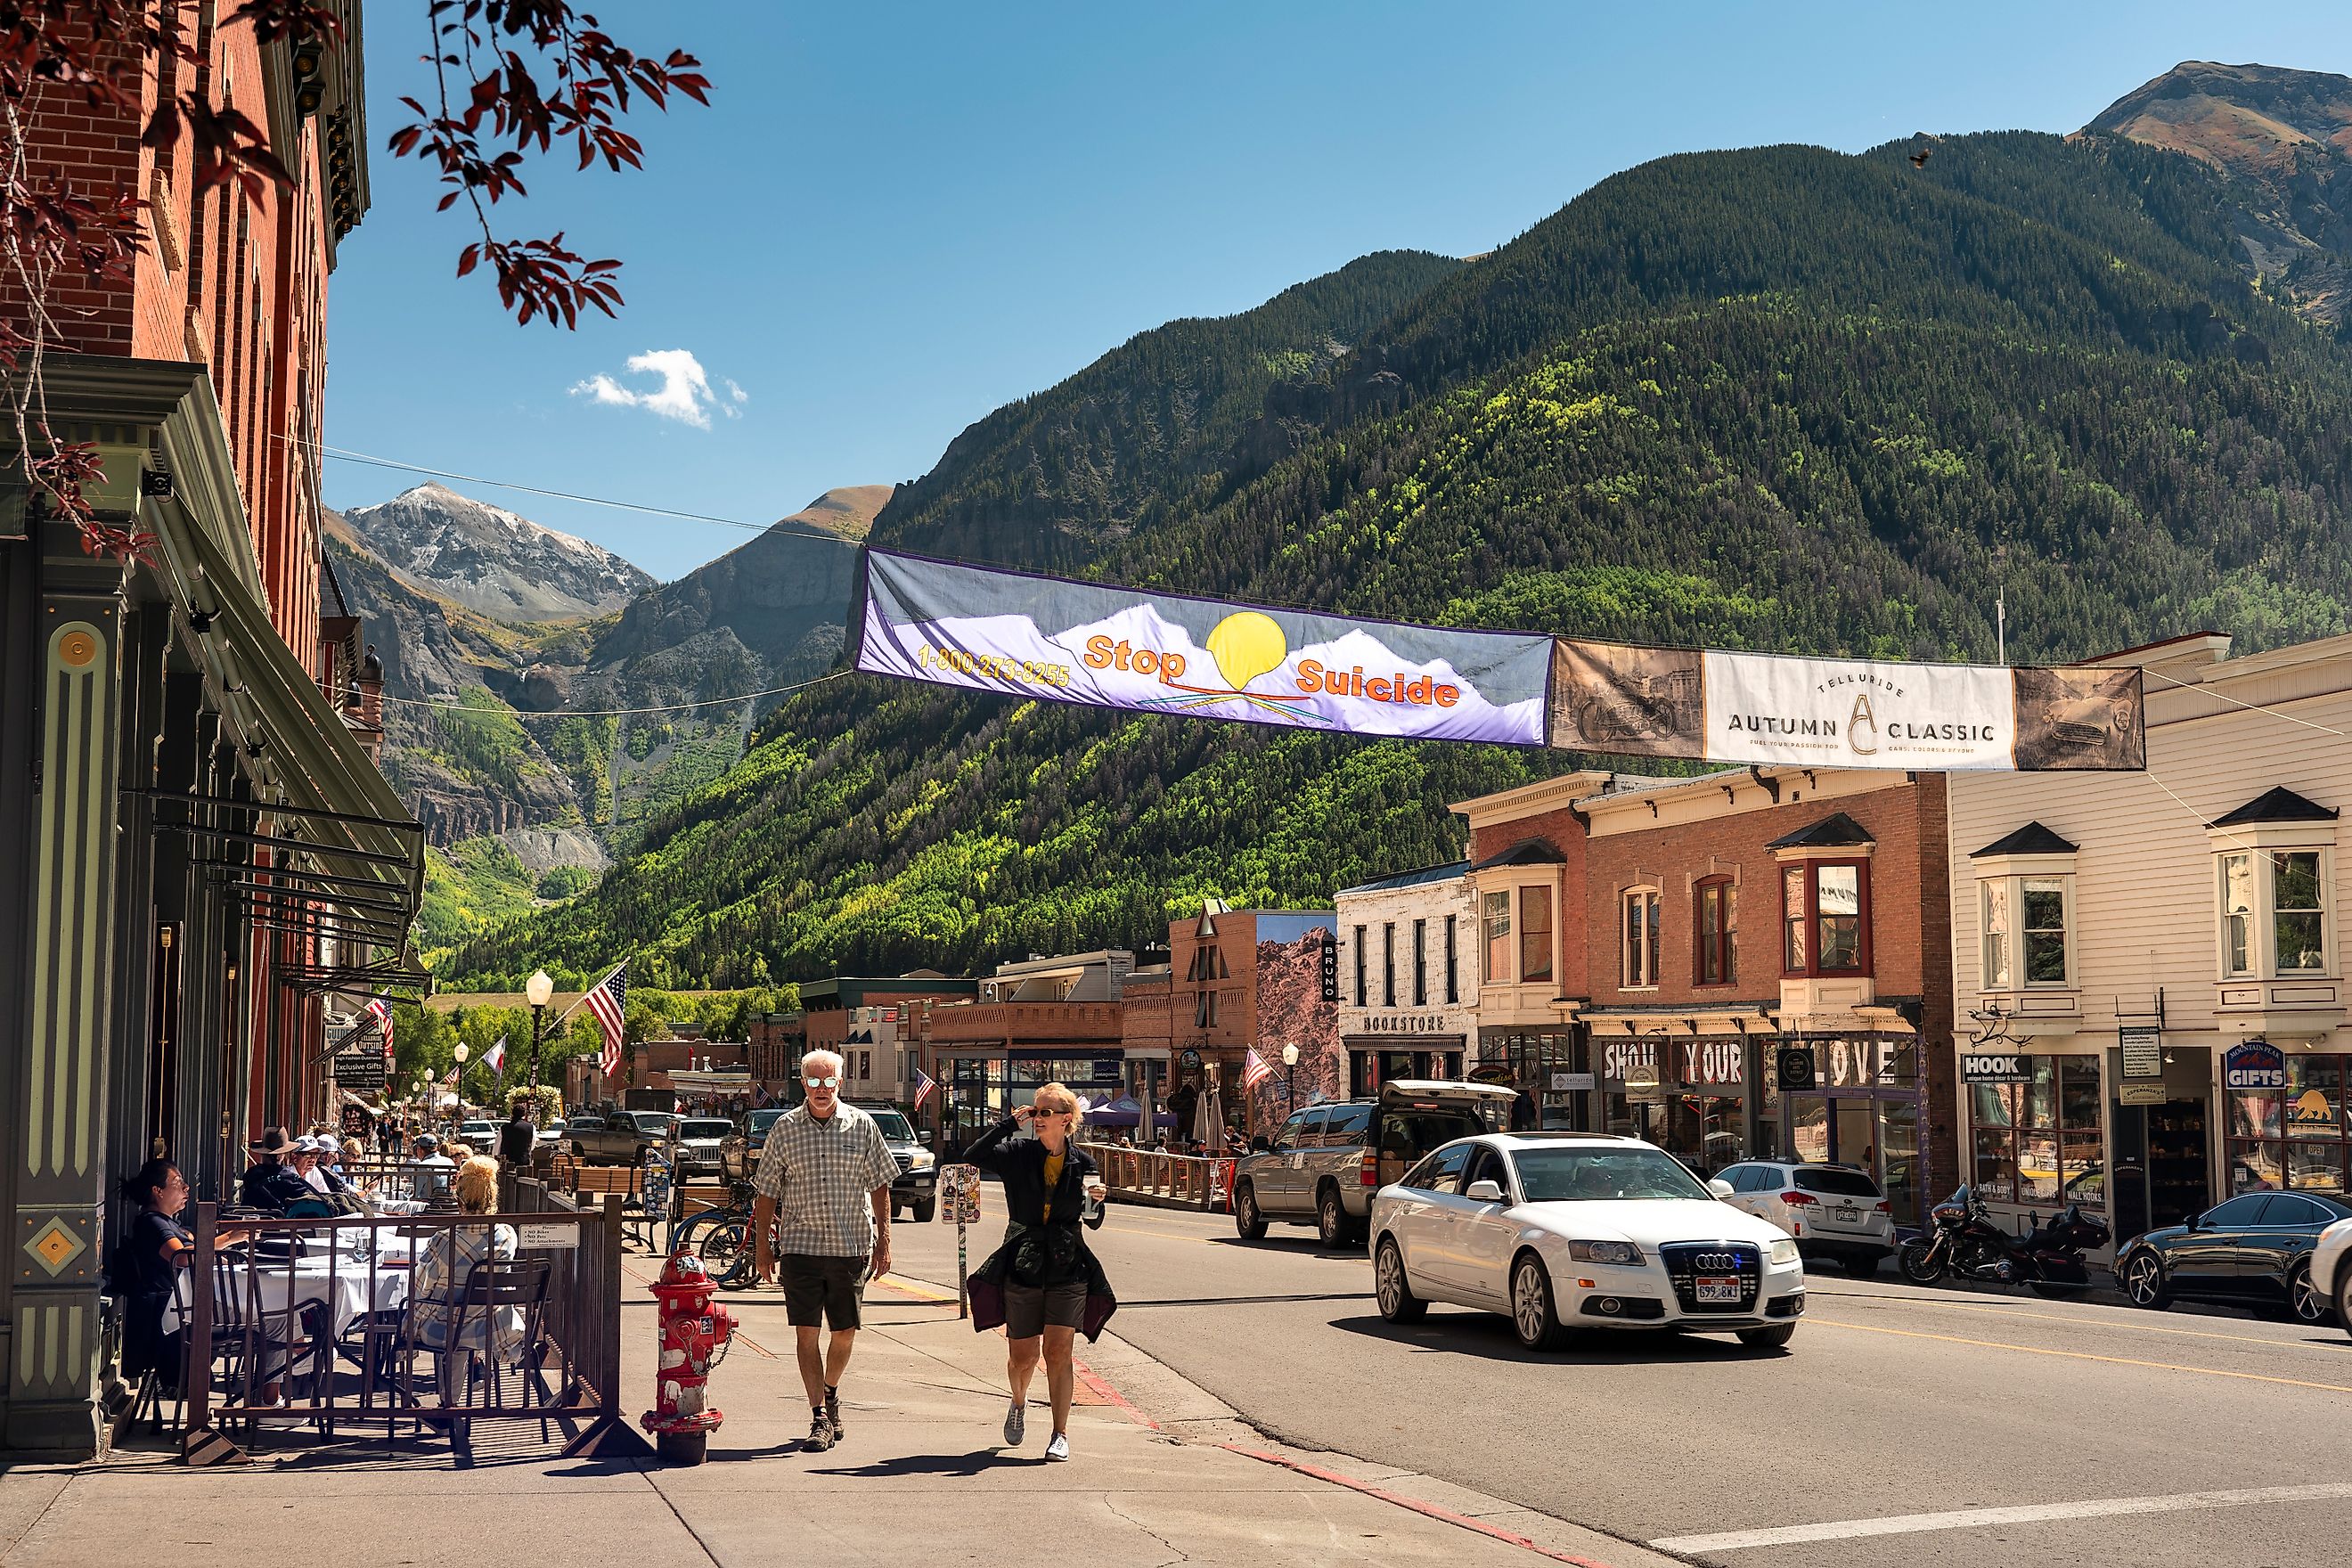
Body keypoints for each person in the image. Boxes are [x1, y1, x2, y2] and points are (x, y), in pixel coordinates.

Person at [748, 1048, 896, 1453]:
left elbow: (881, 1185)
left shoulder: (862, 1126)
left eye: (828, 1081)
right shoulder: (784, 1129)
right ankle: (818, 1417)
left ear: (840, 1083)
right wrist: (763, 1247)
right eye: (813, 1081)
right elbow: (767, 1193)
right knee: (806, 1333)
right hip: (800, 1247)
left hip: (850, 1246)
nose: (821, 1088)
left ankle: (831, 1391)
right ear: (802, 1083)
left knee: (845, 1333)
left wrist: (884, 1239)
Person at [966, 1082, 1117, 1462]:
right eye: (1035, 1111)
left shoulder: (1083, 1163)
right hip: (1024, 1261)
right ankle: (1019, 1401)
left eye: (1044, 1112)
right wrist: (1007, 1124)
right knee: (1023, 1356)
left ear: (1066, 1120)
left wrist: (1098, 1203)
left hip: (1068, 1264)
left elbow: (1091, 1221)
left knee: (1058, 1350)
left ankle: (1060, 1432)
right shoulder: (1018, 1153)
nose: (1037, 1118)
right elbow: (973, 1155)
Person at [402, 1156, 526, 1408]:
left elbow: (422, 1286)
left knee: (448, 1321)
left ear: (458, 1199)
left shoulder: (443, 1240)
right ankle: (465, 1388)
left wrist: (410, 1322)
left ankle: (449, 1405)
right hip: (492, 1327)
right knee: (465, 1321)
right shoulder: (506, 1236)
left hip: (448, 1328)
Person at [239, 1128, 314, 1212]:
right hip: (279, 1222)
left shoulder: (250, 1174)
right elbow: (309, 1197)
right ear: (279, 1156)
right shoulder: (289, 1178)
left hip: (250, 1220)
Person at [408, 1133, 458, 1205]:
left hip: (429, 1210)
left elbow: (414, 1194)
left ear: (420, 1150)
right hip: (449, 1206)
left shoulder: (422, 1166)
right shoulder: (450, 1162)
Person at [497, 1101, 535, 1168]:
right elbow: (532, 1145)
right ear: (524, 1114)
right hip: (524, 1162)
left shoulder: (504, 1128)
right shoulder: (531, 1127)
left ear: (512, 1114)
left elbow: (497, 1146)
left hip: (508, 1162)